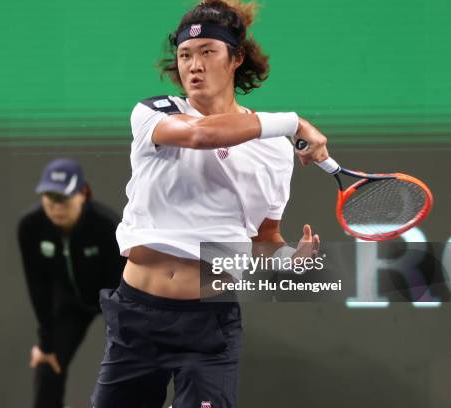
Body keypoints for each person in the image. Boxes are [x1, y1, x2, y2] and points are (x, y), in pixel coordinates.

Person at [90, 1, 329, 407]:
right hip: (136, 317)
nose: (194, 65)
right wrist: (293, 121)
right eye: (185, 55)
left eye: (207, 52)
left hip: (208, 326)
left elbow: (263, 237)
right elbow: (203, 134)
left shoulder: (273, 150)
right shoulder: (155, 113)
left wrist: (289, 258)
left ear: (235, 58)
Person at [17, 158, 125, 408]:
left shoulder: (107, 225)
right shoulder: (30, 227)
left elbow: (122, 282)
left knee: (129, 363)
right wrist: (46, 342)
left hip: (114, 300)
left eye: (63, 197)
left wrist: (127, 329)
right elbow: (38, 286)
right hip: (70, 305)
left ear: (83, 194)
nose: (56, 206)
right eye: (49, 197)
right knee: (47, 363)